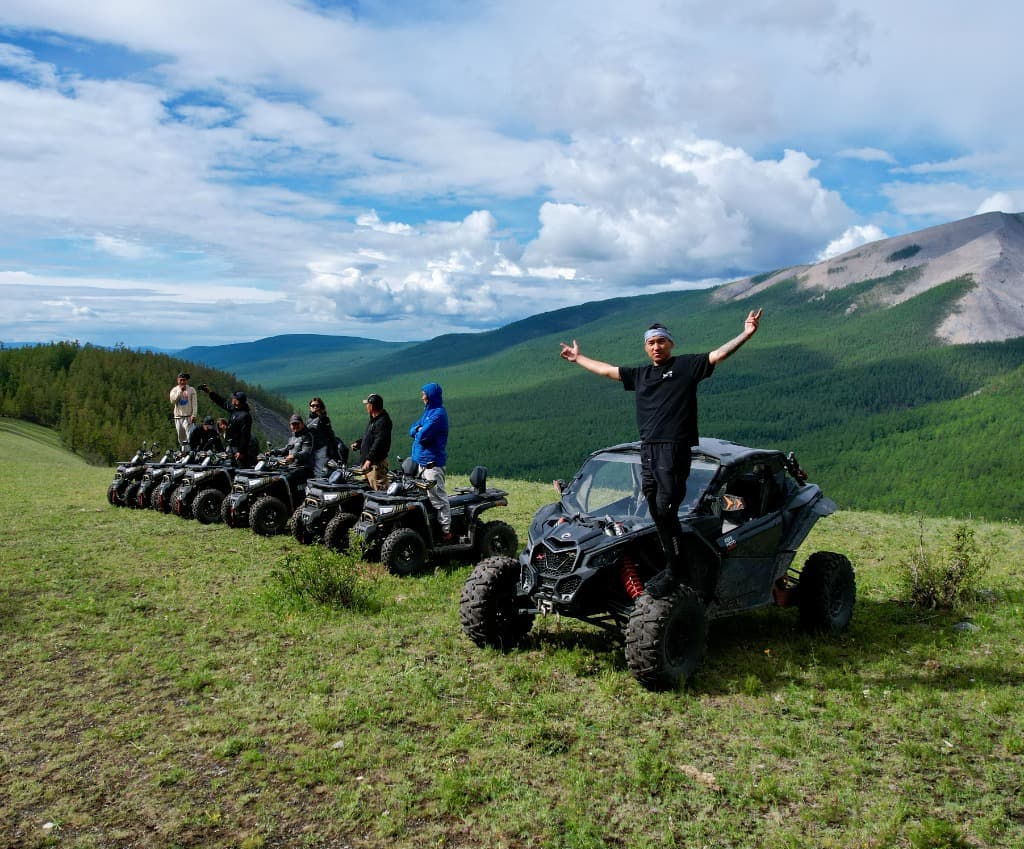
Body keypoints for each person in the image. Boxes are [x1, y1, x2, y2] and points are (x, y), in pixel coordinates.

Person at [559, 309, 763, 598]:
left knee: (667, 506)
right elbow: (607, 370)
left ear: (671, 344)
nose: (656, 346)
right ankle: (669, 558)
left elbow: (718, 355)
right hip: (649, 449)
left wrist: (746, 333)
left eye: (661, 341)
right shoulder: (641, 375)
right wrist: (578, 358)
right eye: (651, 343)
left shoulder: (686, 366)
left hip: (675, 447)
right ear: (646, 347)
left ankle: (674, 570)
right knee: (654, 507)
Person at [408, 382, 451, 539]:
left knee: (438, 497)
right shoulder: (428, 412)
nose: (422, 396)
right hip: (422, 462)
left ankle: (446, 531)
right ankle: (429, 528)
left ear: (430, 395)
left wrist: (418, 430)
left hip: (432, 464)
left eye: (424, 393)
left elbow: (422, 435)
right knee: (423, 498)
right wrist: (417, 429)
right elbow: (412, 429)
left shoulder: (438, 414)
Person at [197, 384, 255, 467]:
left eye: (234, 398)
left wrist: (241, 451)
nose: (232, 399)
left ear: (238, 401)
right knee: (229, 467)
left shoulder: (245, 416)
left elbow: (245, 435)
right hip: (231, 446)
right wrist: (210, 392)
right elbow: (222, 402)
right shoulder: (234, 409)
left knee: (240, 469)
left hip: (238, 448)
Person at [351, 393, 393, 490]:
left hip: (375, 465)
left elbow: (379, 442)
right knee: (366, 492)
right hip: (368, 464)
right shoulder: (375, 420)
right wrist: (359, 443)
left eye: (367, 404)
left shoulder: (383, 421)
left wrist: (369, 460)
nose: (366, 406)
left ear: (371, 406)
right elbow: (370, 438)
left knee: (379, 492)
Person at [306, 397, 343, 477]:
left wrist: (321, 417)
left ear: (321, 407)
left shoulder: (324, 419)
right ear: (310, 407)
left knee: (322, 475)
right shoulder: (308, 420)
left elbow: (330, 435)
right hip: (311, 452)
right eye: (312, 406)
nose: (315, 407)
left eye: (317, 406)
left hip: (323, 452)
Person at [279, 413, 314, 483]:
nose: (295, 426)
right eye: (293, 424)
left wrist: (294, 455)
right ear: (290, 426)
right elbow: (286, 449)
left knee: (284, 480)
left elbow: (306, 452)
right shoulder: (292, 438)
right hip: (291, 468)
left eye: (297, 424)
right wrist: (274, 451)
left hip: (303, 468)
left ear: (302, 424)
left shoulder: (307, 436)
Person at [169, 372, 198, 449]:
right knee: (181, 438)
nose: (182, 382)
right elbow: (173, 401)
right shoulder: (174, 390)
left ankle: (191, 453)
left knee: (190, 436)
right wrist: (180, 392)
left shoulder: (191, 390)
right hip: (178, 417)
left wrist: (194, 415)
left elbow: (194, 404)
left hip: (188, 417)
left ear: (186, 381)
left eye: (184, 380)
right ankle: (184, 454)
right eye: (181, 380)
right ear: (177, 380)